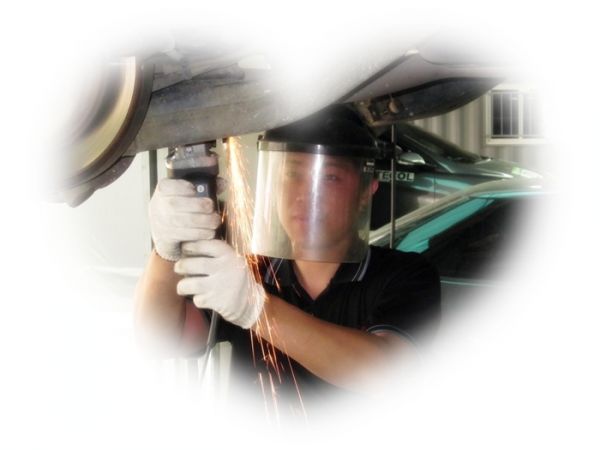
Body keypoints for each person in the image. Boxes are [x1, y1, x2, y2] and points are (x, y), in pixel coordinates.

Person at [134, 105, 440, 410]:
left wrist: (257, 310)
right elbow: (162, 341)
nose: (303, 194)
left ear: (366, 191)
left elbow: (388, 374)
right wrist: (166, 252)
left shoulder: (405, 275)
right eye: (292, 174)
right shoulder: (248, 274)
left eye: (330, 177)